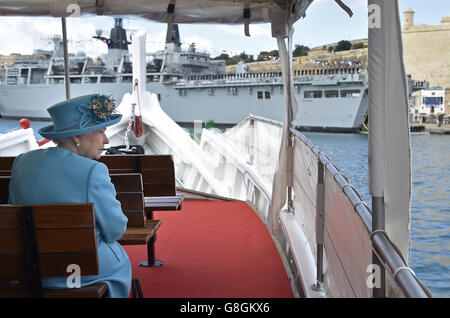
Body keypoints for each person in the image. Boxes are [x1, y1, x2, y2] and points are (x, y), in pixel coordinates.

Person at [8, 94, 131, 298]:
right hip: (83, 272)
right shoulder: (93, 171)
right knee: (120, 259)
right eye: (100, 131)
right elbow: (115, 230)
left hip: (31, 270)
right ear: (77, 136)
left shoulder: (21, 162)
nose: (107, 139)